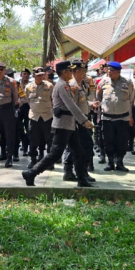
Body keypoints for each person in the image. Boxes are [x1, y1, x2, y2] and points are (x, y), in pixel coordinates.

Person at [22, 60, 94, 188]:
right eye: (70, 70)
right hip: (62, 125)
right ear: (64, 72)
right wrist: (84, 121)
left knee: (79, 152)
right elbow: (71, 105)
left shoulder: (65, 84)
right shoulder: (62, 86)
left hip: (70, 124)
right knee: (55, 154)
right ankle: (31, 173)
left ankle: (81, 180)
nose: (72, 73)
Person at [96, 61, 134, 172]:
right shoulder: (103, 82)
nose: (109, 72)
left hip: (122, 118)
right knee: (108, 141)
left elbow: (131, 99)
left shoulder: (127, 82)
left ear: (118, 71)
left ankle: (120, 162)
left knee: (122, 142)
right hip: (107, 118)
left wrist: (130, 116)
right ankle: (110, 162)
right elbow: (98, 97)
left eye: (111, 70)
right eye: (108, 70)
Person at [67, 59, 96, 183]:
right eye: (83, 71)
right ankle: (72, 171)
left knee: (84, 146)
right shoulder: (73, 86)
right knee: (80, 146)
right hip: (78, 121)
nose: (85, 73)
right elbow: (73, 106)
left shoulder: (81, 84)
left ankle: (82, 171)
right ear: (77, 71)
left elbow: (82, 102)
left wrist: (90, 104)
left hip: (84, 118)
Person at [24, 67, 53, 169]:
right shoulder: (28, 87)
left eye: (42, 75)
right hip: (34, 117)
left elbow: (53, 99)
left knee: (49, 139)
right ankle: (33, 159)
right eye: (38, 75)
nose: (41, 77)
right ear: (34, 75)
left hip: (47, 116)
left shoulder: (49, 86)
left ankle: (49, 162)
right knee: (33, 139)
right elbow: (28, 100)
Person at [17, 68, 31, 157]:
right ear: (21, 75)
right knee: (18, 128)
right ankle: (22, 141)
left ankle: (25, 148)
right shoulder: (17, 84)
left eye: (27, 74)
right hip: (19, 108)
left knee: (28, 128)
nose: (25, 75)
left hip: (28, 107)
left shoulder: (31, 85)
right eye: (24, 74)